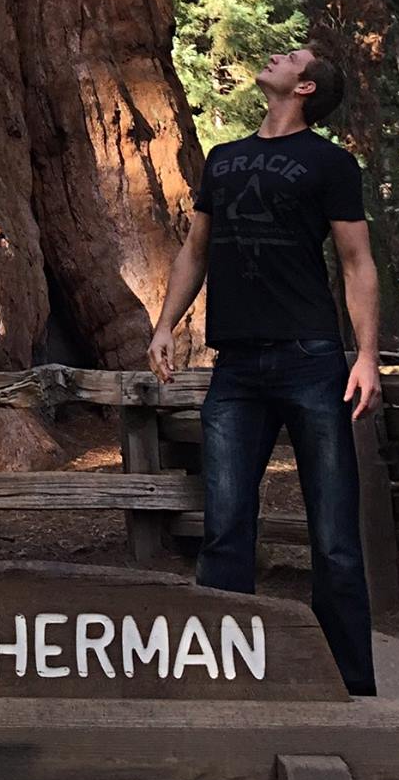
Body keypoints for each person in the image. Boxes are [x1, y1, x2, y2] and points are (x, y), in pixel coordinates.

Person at [147, 46, 380, 697]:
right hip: (236, 369)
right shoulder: (223, 159)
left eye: (292, 56)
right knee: (224, 530)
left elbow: (356, 261)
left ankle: (350, 689)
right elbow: (195, 250)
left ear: (305, 87)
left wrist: (365, 355)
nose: (277, 55)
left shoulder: (331, 163)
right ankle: (226, 685)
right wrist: (165, 325)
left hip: (311, 359)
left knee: (333, 536)